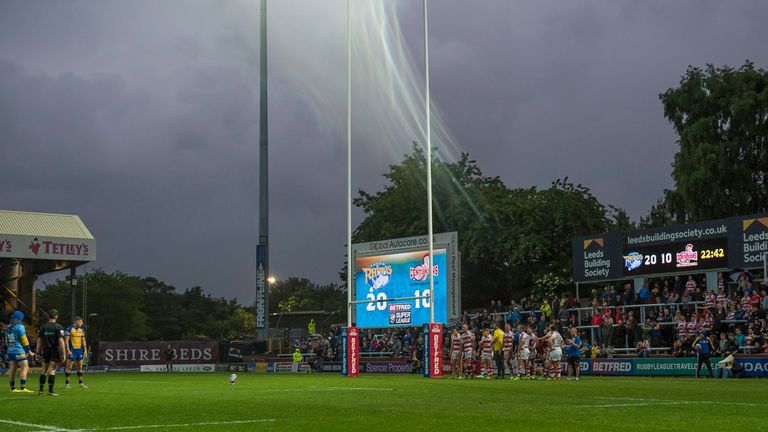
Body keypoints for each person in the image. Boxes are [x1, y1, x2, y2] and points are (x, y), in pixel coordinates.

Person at [36, 309, 66, 396]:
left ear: (48, 316)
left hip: (45, 350)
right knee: (52, 370)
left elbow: (39, 340)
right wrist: (63, 353)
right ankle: (50, 391)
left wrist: (37, 352)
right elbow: (61, 341)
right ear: (56, 316)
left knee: (44, 370)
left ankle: (41, 391)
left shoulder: (43, 326)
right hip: (55, 350)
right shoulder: (59, 327)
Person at [5, 311, 35, 393]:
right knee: (25, 367)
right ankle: (22, 387)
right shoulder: (20, 326)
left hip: (10, 350)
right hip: (19, 350)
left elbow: (6, 341)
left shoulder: (8, 327)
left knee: (12, 368)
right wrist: (28, 350)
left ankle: (12, 388)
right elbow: (24, 339)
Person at [64, 316, 88, 388]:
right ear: (76, 321)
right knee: (69, 367)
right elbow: (66, 341)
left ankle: (81, 383)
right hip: (72, 350)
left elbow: (83, 340)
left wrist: (85, 350)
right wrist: (68, 350)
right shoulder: (69, 329)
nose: (82, 323)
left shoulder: (82, 330)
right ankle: (67, 383)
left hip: (79, 350)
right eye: (81, 322)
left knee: (80, 367)